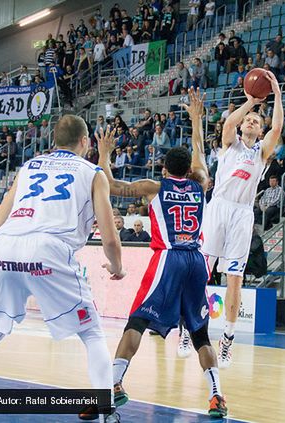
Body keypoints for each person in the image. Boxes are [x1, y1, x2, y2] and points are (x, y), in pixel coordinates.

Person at [0, 115, 125, 423]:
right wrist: (117, 268)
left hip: (6, 245)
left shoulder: (29, 166)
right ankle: (105, 414)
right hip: (48, 248)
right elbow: (110, 237)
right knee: (91, 332)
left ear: (54, 141)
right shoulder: (93, 172)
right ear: (85, 142)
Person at [96, 88, 228, 418]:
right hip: (197, 261)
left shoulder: (155, 187)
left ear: (164, 167)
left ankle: (114, 384)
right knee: (200, 334)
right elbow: (199, 155)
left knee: (137, 321)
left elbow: (112, 186)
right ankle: (217, 397)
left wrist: (104, 154)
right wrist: (197, 120)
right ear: (188, 169)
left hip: (168, 258)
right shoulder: (200, 185)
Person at [194, 71, 283, 368]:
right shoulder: (230, 144)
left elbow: (278, 128)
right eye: (249, 119)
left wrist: (278, 96)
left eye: (257, 121)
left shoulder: (262, 153)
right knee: (202, 271)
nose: (251, 122)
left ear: (260, 131)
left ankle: (228, 339)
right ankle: (189, 327)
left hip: (243, 213)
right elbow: (230, 122)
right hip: (218, 206)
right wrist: (250, 102)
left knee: (235, 278)